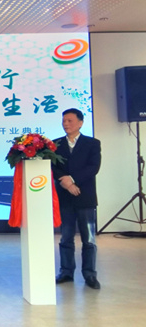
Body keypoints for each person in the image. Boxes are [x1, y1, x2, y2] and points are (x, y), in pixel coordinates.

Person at [53, 108, 102, 290]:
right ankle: (66, 272)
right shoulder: (55, 144)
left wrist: (72, 180)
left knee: (89, 239)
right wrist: (65, 182)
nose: (66, 124)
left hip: (85, 197)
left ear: (80, 123)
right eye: (64, 121)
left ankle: (90, 274)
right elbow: (54, 167)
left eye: (70, 120)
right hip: (65, 197)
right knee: (66, 237)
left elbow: (93, 167)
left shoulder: (92, 143)